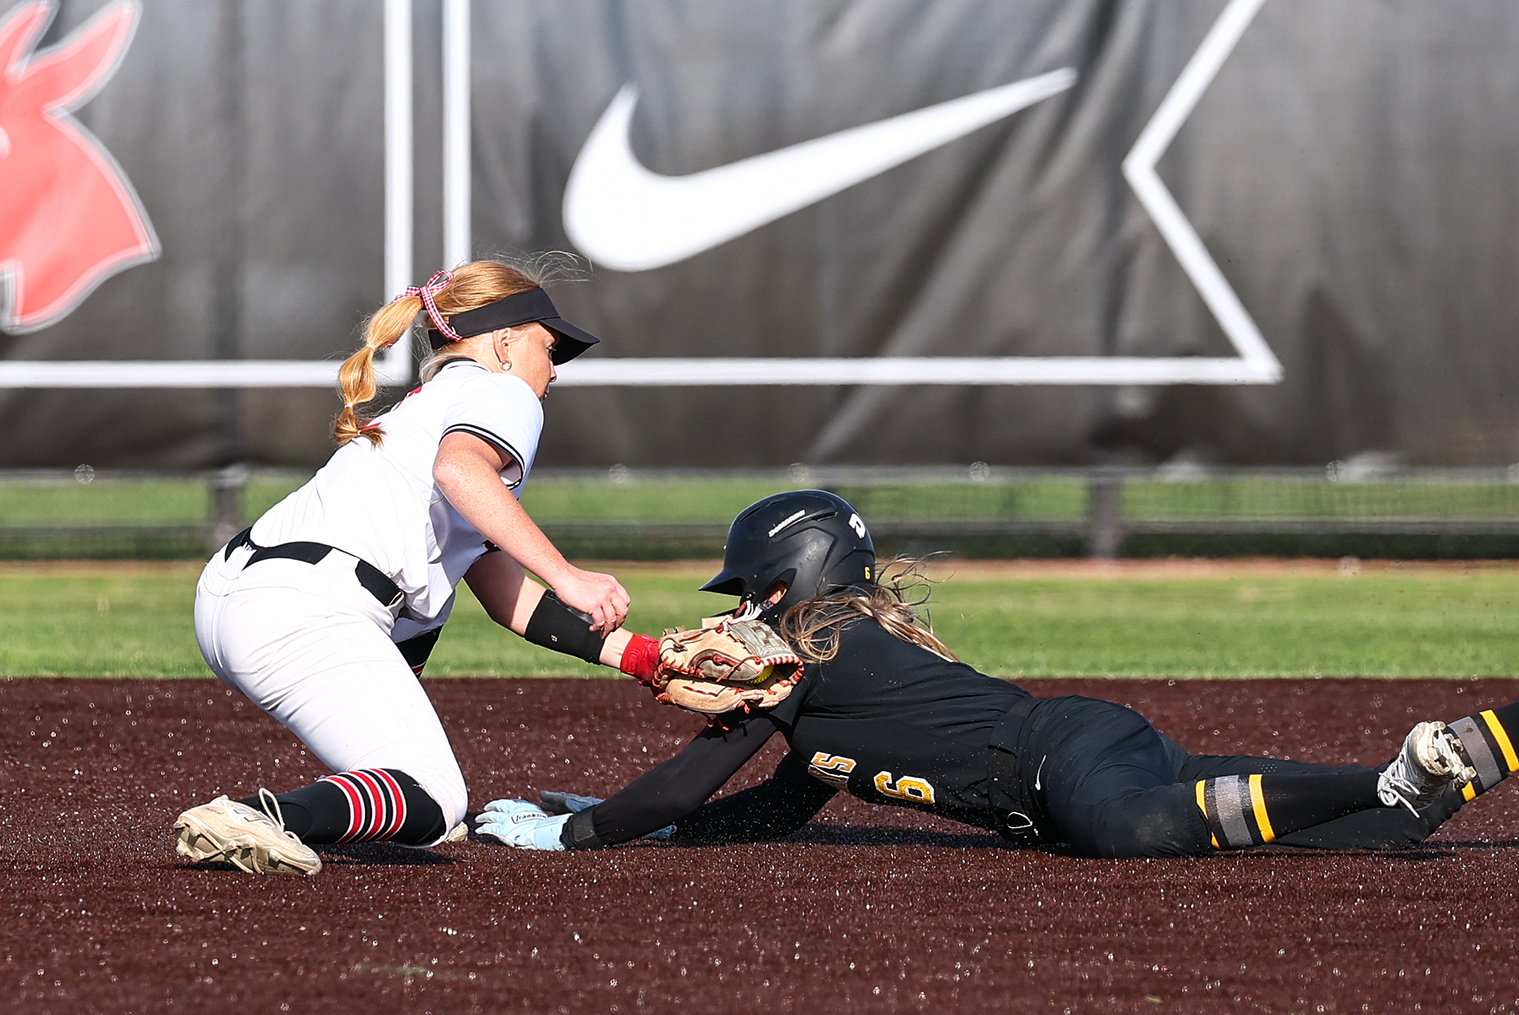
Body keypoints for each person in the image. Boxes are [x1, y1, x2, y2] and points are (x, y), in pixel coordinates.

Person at [475, 490, 1513, 858]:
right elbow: (765, 812)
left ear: (791, 577)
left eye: (751, 591)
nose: (740, 614)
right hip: (1088, 749)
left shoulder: (802, 658)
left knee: (1129, 834)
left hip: (1069, 763)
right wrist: (641, 822)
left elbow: (687, 781)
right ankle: (1408, 783)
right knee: (1387, 839)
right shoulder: (824, 684)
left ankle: (1390, 777)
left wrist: (582, 829)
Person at [172, 260, 667, 876]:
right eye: (550, 343)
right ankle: (264, 816)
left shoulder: (430, 404)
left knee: (420, 815)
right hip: (307, 608)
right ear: (505, 341)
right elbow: (460, 473)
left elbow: (501, 590)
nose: (554, 366)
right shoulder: (501, 390)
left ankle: (278, 815)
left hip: (241, 598)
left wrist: (646, 658)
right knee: (436, 794)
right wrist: (568, 573)